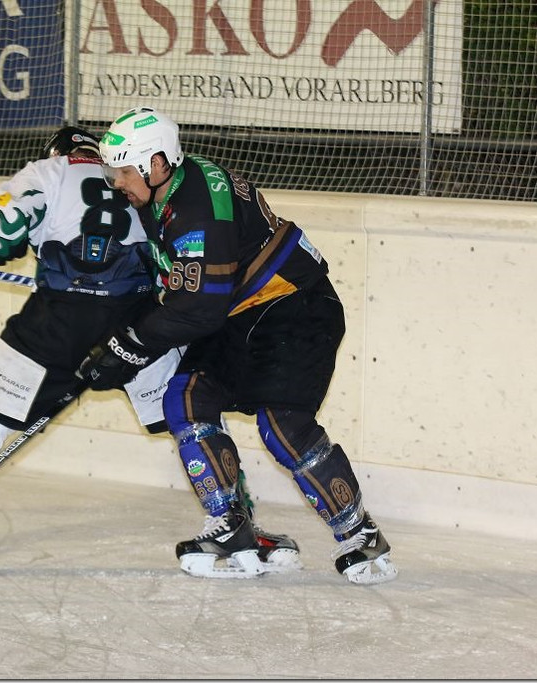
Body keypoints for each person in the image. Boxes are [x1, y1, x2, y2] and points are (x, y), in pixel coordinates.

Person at [0, 126, 302, 571]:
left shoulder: (47, 172)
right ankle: (238, 524)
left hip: (55, 321)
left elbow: (0, 229)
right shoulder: (140, 184)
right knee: (193, 418)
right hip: (140, 321)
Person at [78, 107, 397, 584]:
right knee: (186, 399)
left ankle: (360, 534)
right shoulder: (164, 190)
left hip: (295, 304)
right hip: (238, 311)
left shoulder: (198, 208)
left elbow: (197, 310)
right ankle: (231, 525)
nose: (116, 182)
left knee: (282, 424)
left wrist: (129, 345)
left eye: (123, 171)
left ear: (157, 163)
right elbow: (180, 284)